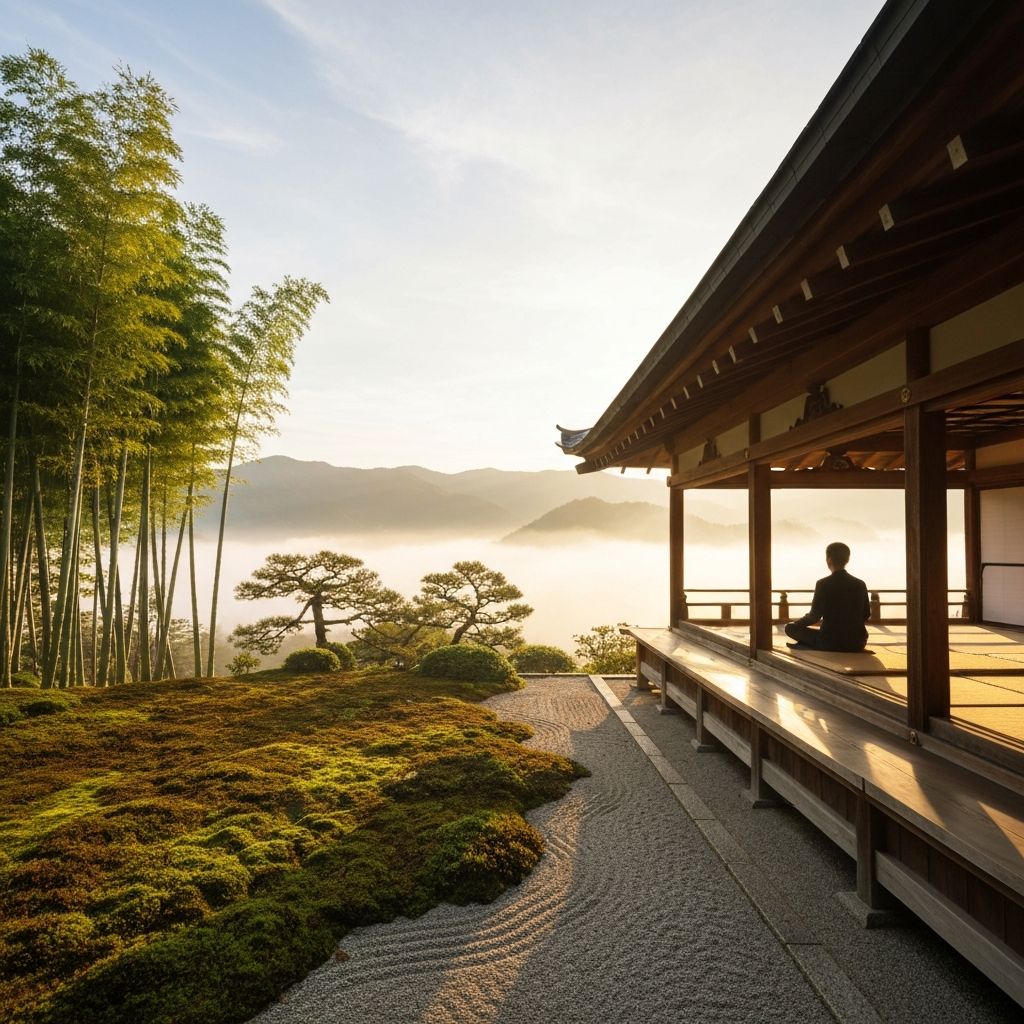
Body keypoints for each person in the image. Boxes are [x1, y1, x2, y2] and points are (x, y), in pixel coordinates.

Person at [784, 542, 870, 652]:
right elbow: (866, 614)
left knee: (790, 628)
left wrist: (795, 625)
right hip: (857, 642)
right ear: (847, 560)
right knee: (825, 633)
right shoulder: (860, 584)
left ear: (829, 560)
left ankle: (809, 644)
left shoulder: (823, 583)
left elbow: (814, 616)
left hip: (830, 642)